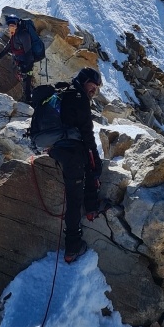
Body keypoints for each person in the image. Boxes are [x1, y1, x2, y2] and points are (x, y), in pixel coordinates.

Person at [49, 67, 103, 264]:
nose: (95, 89)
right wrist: (97, 163)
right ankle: (72, 246)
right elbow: (87, 136)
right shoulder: (79, 98)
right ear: (85, 80)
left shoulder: (64, 92)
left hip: (56, 147)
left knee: (86, 168)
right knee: (73, 197)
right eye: (93, 84)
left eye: (97, 87)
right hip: (71, 152)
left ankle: (90, 208)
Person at [0, 14, 43, 102]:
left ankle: (29, 101)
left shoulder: (23, 35)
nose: (10, 27)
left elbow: (29, 52)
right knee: (24, 83)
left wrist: (27, 67)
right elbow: (6, 49)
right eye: (10, 25)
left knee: (27, 83)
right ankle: (27, 99)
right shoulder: (14, 35)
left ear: (17, 25)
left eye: (12, 25)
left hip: (26, 63)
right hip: (20, 62)